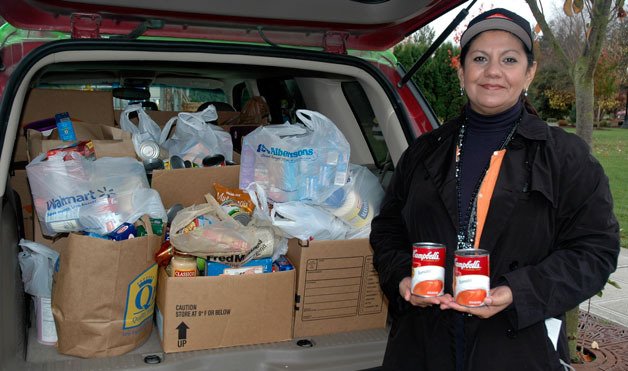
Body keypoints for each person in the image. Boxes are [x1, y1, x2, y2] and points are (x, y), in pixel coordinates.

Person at [370, 8, 619, 371]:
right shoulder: (424, 152)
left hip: (517, 348)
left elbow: (596, 249)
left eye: (510, 60)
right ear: (462, 70)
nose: (493, 72)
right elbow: (388, 229)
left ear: (529, 72)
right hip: (421, 347)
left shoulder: (564, 157)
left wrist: (519, 291)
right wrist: (403, 277)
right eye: (480, 59)